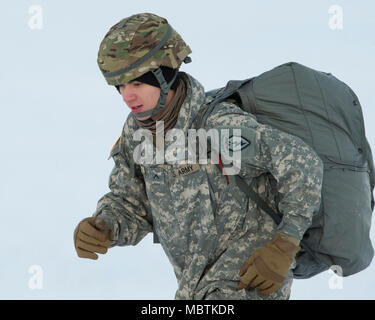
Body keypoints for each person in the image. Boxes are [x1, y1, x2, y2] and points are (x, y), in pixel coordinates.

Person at [73, 12, 323, 300]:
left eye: (137, 84)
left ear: (164, 75)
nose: (127, 97)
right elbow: (133, 203)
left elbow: (303, 164)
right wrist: (105, 226)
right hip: (194, 286)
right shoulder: (137, 134)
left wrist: (285, 244)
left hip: (248, 279)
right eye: (120, 87)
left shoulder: (218, 126)